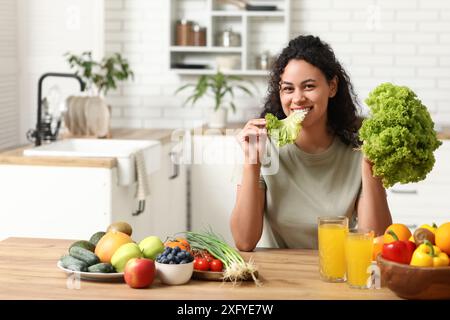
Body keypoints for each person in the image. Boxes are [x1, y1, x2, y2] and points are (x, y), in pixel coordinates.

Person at [230, 35, 392, 251]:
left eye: (308, 86)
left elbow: (376, 240)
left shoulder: (359, 150)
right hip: (279, 275)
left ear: (332, 86)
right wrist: (252, 164)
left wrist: (370, 166)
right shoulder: (263, 148)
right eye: (288, 89)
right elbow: (244, 241)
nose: (297, 98)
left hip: (339, 272)